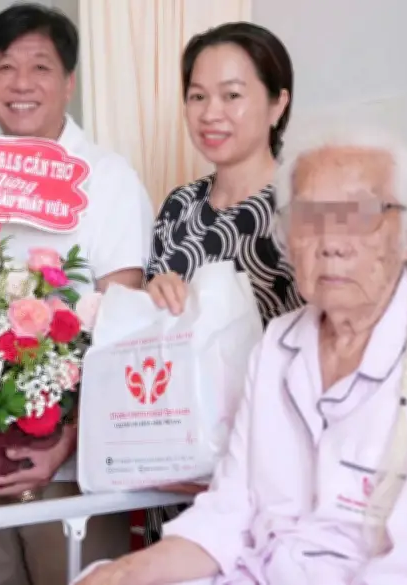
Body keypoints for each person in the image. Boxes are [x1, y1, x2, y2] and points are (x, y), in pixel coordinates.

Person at [74, 126, 407, 585]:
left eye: (361, 215)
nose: (331, 242)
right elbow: (229, 513)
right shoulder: (278, 343)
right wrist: (125, 571)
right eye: (309, 218)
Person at [0, 4, 154, 585]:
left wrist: (68, 442)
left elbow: (123, 330)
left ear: (69, 82)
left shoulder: (106, 178)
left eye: (40, 67)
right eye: (5, 68)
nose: (22, 84)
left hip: (68, 467)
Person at [140, 22, 305, 545]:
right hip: (176, 466)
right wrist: (152, 301)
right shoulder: (177, 207)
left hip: (270, 470)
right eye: (197, 96)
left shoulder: (304, 205)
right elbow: (151, 339)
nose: (211, 113)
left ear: (278, 104)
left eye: (232, 95)